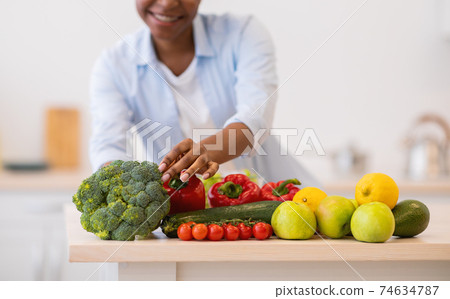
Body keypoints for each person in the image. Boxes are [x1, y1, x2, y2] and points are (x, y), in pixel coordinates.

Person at [90, 0, 318, 186]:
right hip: (184, 217)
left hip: (279, 203)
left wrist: (203, 152)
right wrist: (123, 188)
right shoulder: (114, 65)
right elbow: (108, 145)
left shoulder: (243, 33)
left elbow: (255, 119)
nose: (167, 3)